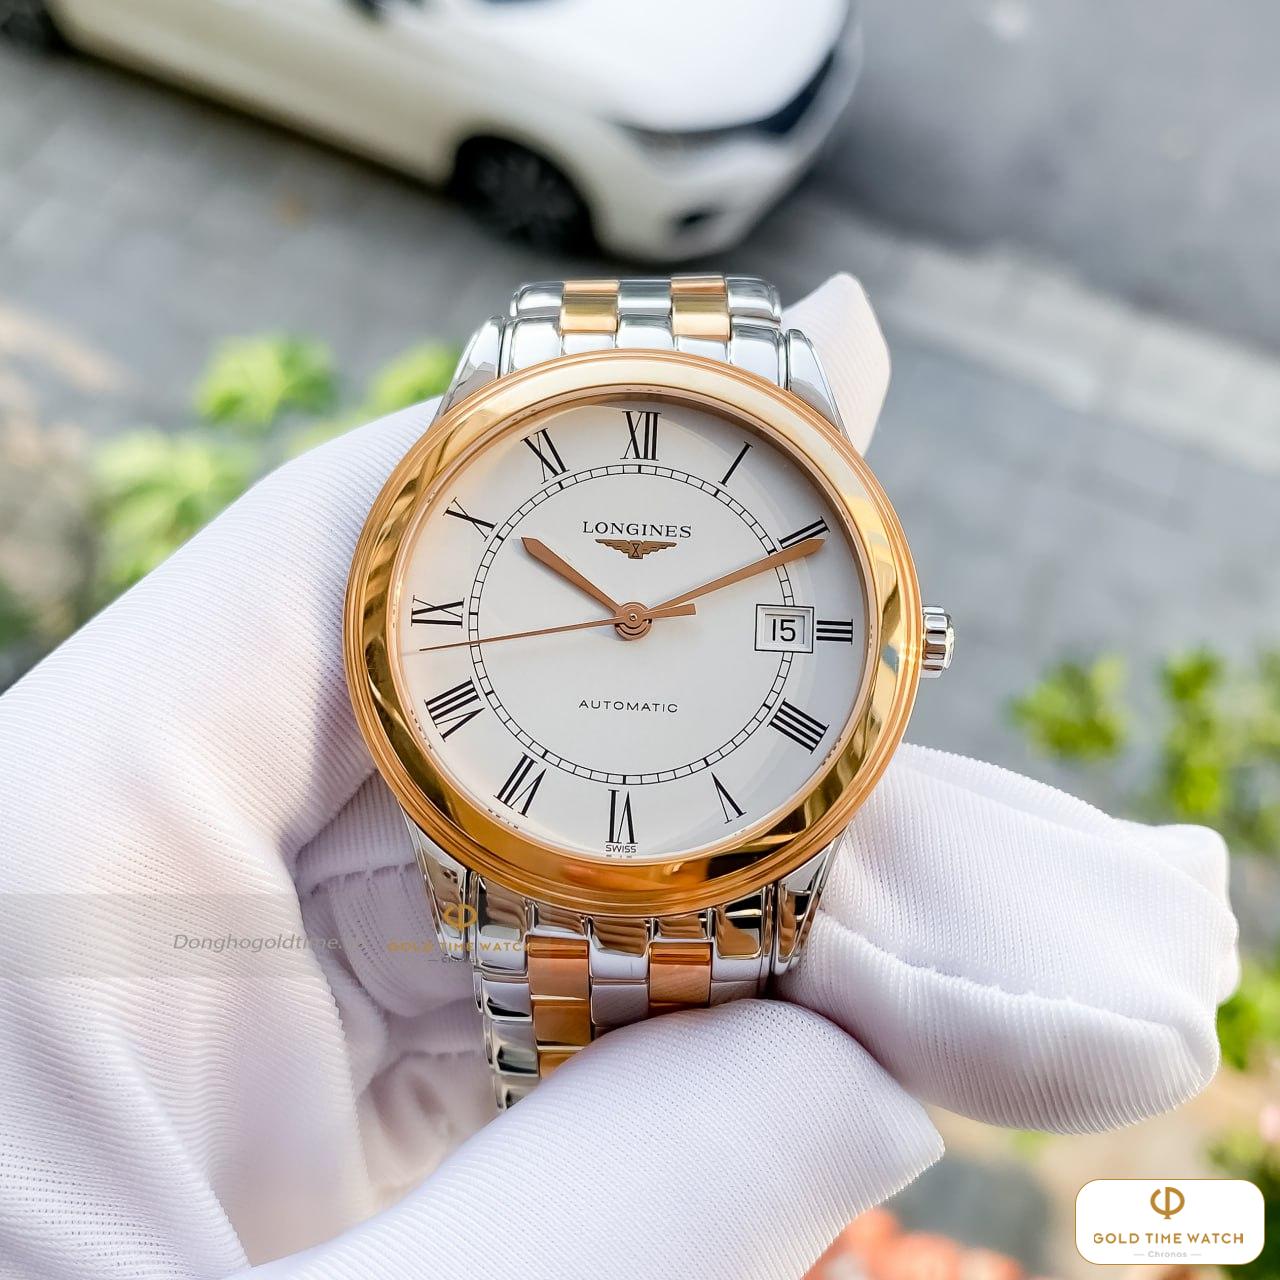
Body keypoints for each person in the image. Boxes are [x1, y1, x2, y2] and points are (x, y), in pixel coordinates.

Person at [0, 277, 1238, 1280]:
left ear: (901, 642)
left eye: (645, 611)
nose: (633, 617)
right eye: (612, 608)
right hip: (503, 849)